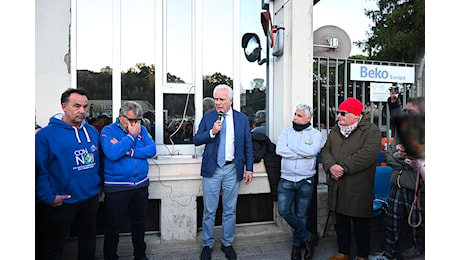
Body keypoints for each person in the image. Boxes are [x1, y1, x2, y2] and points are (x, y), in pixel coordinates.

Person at [35, 87, 102, 260]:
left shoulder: (92, 132)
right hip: (62, 202)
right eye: (77, 106)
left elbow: (98, 161)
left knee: (88, 243)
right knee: (53, 248)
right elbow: (39, 169)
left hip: (90, 199)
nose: (82, 111)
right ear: (64, 107)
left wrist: (98, 185)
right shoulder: (45, 135)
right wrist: (48, 197)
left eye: (85, 107)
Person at [194, 84, 254, 260]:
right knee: (209, 210)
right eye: (216, 99)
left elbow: (247, 145)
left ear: (231, 100)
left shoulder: (241, 119)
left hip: (232, 168)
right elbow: (196, 139)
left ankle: (227, 243)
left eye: (221, 99)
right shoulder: (208, 117)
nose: (218, 103)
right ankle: (207, 244)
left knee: (229, 209)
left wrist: (249, 168)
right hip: (212, 170)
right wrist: (212, 132)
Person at [320, 98, 381, 260]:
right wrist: (331, 166)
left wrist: (343, 167)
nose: (339, 116)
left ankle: (362, 255)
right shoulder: (335, 130)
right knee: (340, 222)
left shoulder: (370, 130)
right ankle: (343, 252)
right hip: (337, 184)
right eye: (339, 113)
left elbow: (369, 154)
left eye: (343, 113)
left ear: (355, 114)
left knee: (361, 223)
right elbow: (325, 150)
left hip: (358, 185)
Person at [369, 93, 425, 260]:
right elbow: (388, 156)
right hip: (397, 186)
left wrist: (405, 159)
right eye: (405, 111)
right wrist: (407, 161)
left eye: (411, 112)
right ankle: (388, 254)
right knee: (391, 223)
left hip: (416, 190)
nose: (406, 115)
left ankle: (418, 253)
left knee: (418, 226)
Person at [100, 101, 157, 260]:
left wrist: (129, 151)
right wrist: (131, 136)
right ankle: (110, 256)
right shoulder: (108, 131)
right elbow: (113, 153)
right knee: (113, 226)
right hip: (117, 187)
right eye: (131, 120)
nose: (135, 124)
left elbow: (152, 150)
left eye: (137, 120)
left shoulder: (143, 129)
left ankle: (140, 254)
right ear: (120, 117)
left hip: (140, 184)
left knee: (139, 224)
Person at [276, 104, 322, 260]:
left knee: (302, 215)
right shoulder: (286, 132)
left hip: (306, 179)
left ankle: (296, 247)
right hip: (286, 178)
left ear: (308, 119)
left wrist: (293, 148)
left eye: (299, 116)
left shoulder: (315, 134)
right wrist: (302, 153)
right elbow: (280, 150)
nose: (295, 117)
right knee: (284, 211)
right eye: (295, 114)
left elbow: (313, 152)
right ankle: (308, 237)